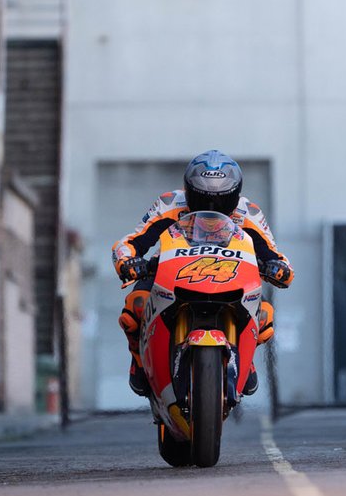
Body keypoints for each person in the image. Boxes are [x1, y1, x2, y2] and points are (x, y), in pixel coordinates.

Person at [112, 150, 293, 396]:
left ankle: (245, 357)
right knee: (136, 305)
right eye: (203, 197)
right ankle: (139, 358)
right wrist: (127, 260)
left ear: (235, 194)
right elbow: (132, 241)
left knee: (265, 317)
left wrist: (278, 268)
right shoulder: (170, 203)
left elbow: (275, 255)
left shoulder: (248, 212)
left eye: (222, 199)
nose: (212, 206)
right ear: (189, 190)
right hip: (170, 269)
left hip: (230, 272)